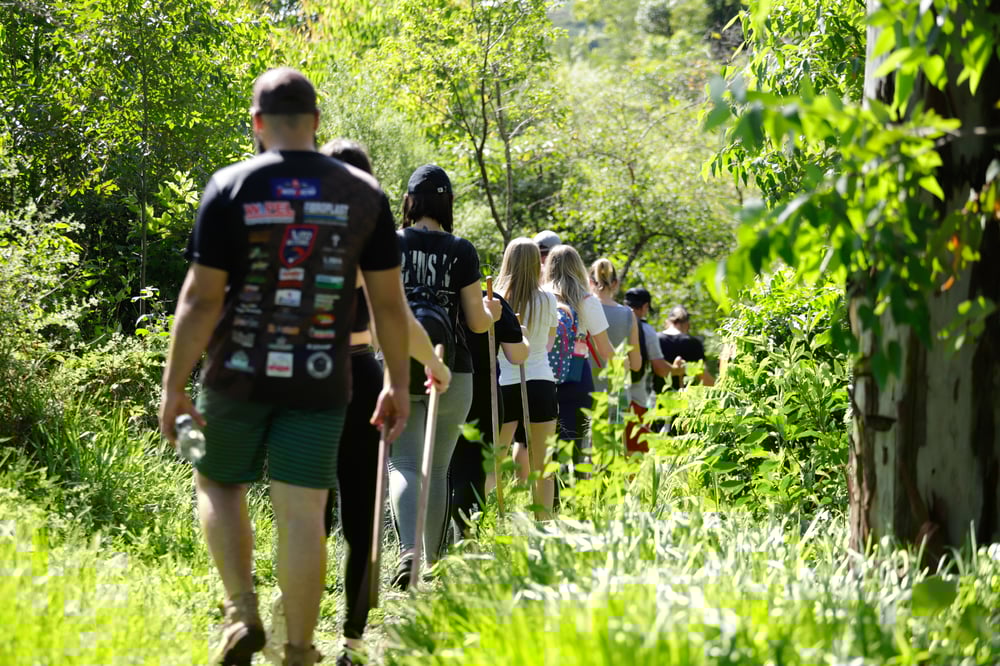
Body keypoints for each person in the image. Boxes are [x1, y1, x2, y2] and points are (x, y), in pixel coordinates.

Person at [158, 68, 410, 666]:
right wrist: (397, 383)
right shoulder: (363, 194)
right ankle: (298, 649)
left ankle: (242, 611)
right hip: (320, 378)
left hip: (236, 374)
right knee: (303, 511)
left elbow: (200, 300)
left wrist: (173, 387)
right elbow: (389, 305)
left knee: (219, 482)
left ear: (257, 123)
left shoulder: (231, 186)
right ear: (315, 123)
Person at [263, 138, 449, 666]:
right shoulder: (368, 234)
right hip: (359, 374)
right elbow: (397, 316)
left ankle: (293, 625)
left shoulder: (297, 231)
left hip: (305, 377)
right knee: (362, 519)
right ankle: (352, 642)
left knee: (307, 515)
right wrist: (434, 366)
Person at [389, 164, 501, 589]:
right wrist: (491, 312)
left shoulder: (392, 243)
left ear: (409, 201)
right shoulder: (461, 250)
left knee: (404, 462)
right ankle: (431, 562)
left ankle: (409, 552)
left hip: (398, 363)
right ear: (448, 203)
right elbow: (476, 324)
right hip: (454, 368)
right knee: (437, 470)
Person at [449, 291, 527, 540]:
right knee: (472, 470)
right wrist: (524, 338)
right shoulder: (492, 300)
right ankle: (466, 540)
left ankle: (433, 543)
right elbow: (517, 355)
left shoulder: (431, 294)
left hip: (437, 385)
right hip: (482, 391)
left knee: (439, 468)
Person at [494, 238, 559, 519]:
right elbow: (549, 343)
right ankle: (543, 524)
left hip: (505, 383)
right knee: (543, 464)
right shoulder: (548, 299)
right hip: (541, 381)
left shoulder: (496, 299)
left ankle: (488, 518)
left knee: (494, 460)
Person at [542, 245, 614, 478]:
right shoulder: (587, 300)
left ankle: (546, 495)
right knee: (575, 446)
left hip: (541, 374)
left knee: (544, 447)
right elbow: (605, 349)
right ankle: (574, 493)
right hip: (576, 374)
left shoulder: (539, 296)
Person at [622, 287, 680, 454]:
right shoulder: (646, 330)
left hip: (609, 396)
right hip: (636, 401)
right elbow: (660, 368)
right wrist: (677, 370)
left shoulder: (610, 320)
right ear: (645, 306)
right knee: (635, 455)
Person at [587, 259, 642, 401]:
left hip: (587, 392)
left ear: (590, 282)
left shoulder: (583, 309)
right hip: (618, 394)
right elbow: (636, 364)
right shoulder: (628, 314)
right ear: (615, 283)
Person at [654, 304, 716, 394]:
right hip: (685, 398)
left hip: (657, 397)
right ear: (687, 324)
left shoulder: (655, 339)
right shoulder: (693, 343)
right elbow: (704, 377)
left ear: (667, 322)